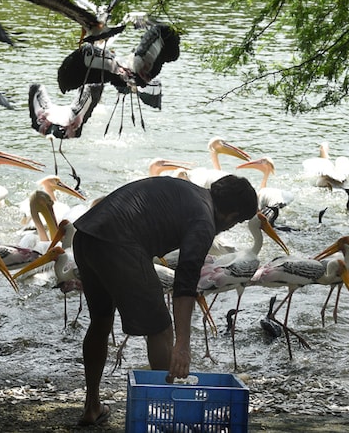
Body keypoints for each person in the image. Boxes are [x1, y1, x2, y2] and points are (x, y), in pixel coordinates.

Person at [71, 174, 259, 426]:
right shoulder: (204, 220)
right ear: (231, 215)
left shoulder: (190, 193)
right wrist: (182, 344)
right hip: (118, 244)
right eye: (236, 222)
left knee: (101, 320)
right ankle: (167, 416)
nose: (230, 227)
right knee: (160, 329)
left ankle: (91, 406)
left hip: (86, 235)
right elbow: (185, 281)